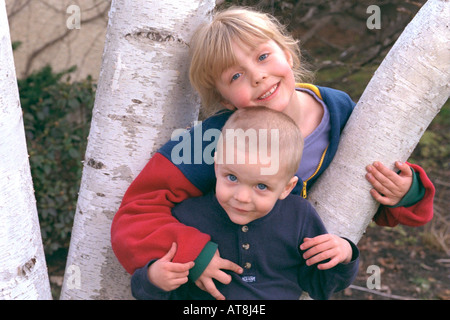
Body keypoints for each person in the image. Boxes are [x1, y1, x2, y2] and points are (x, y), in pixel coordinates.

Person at [111, 6, 435, 299]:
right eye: (235, 76)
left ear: (288, 53)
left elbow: (369, 184)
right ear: (224, 99)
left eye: (263, 56)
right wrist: (191, 253)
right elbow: (137, 211)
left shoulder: (339, 113)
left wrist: (407, 191)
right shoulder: (213, 138)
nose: (257, 76)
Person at [130, 107, 359, 300]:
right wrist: (152, 280)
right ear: (217, 166)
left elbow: (321, 285)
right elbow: (160, 290)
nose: (241, 197)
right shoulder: (187, 217)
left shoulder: (298, 216)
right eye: (232, 178)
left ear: (286, 188)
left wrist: (345, 254)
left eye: (261, 186)